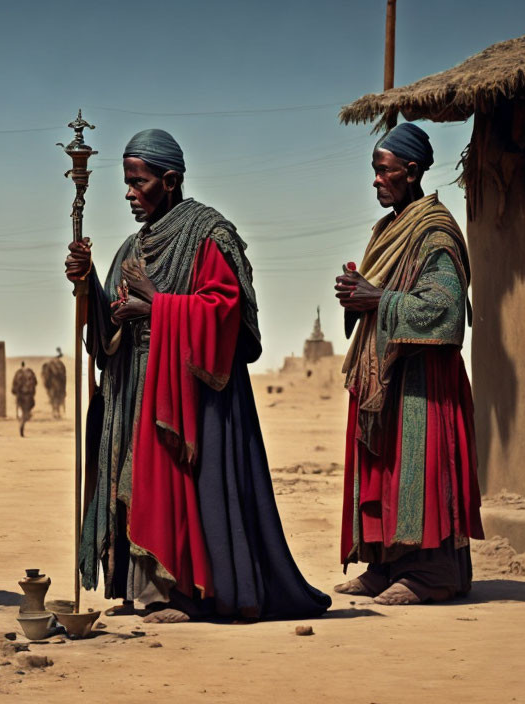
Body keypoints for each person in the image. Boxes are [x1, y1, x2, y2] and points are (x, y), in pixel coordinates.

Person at [65, 129, 330, 623]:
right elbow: (106, 333)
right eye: (124, 183)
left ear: (169, 180)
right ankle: (147, 589)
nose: (127, 193)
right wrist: (89, 284)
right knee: (134, 484)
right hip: (134, 387)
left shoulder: (210, 233)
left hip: (191, 394)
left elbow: (227, 312)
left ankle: (186, 593)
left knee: (179, 488)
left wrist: (159, 305)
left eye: (137, 182)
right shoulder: (131, 247)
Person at [333, 122, 484, 605]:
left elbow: (445, 309)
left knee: (418, 468)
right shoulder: (390, 228)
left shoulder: (435, 231)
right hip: (386, 372)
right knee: (386, 469)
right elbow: (381, 294)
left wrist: (378, 298)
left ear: (412, 172)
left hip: (423, 377)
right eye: (375, 172)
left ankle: (431, 572)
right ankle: (385, 565)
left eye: (384, 171)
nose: (376, 180)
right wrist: (358, 298)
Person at [11, 361, 37, 436]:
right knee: (26, 411)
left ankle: (21, 422)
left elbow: (14, 384)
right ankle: (22, 423)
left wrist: (15, 392)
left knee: (20, 409)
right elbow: (35, 382)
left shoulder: (18, 373)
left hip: (20, 395)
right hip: (28, 395)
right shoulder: (30, 373)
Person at [40, 348, 66, 419]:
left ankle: (55, 413)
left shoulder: (49, 364)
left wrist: (47, 385)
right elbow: (63, 377)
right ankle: (57, 413)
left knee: (53, 399)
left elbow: (46, 376)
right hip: (59, 385)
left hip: (52, 385)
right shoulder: (60, 364)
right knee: (57, 398)